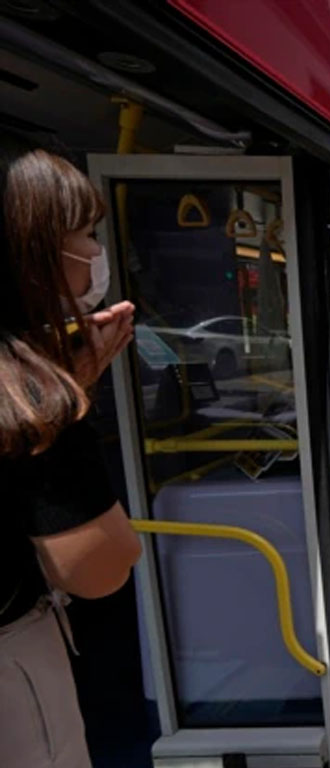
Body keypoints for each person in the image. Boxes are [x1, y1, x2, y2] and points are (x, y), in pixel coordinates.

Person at [0, 147, 140, 767]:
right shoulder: (28, 392)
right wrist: (70, 394)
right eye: (86, 235)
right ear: (35, 250)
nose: (96, 254)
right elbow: (100, 567)